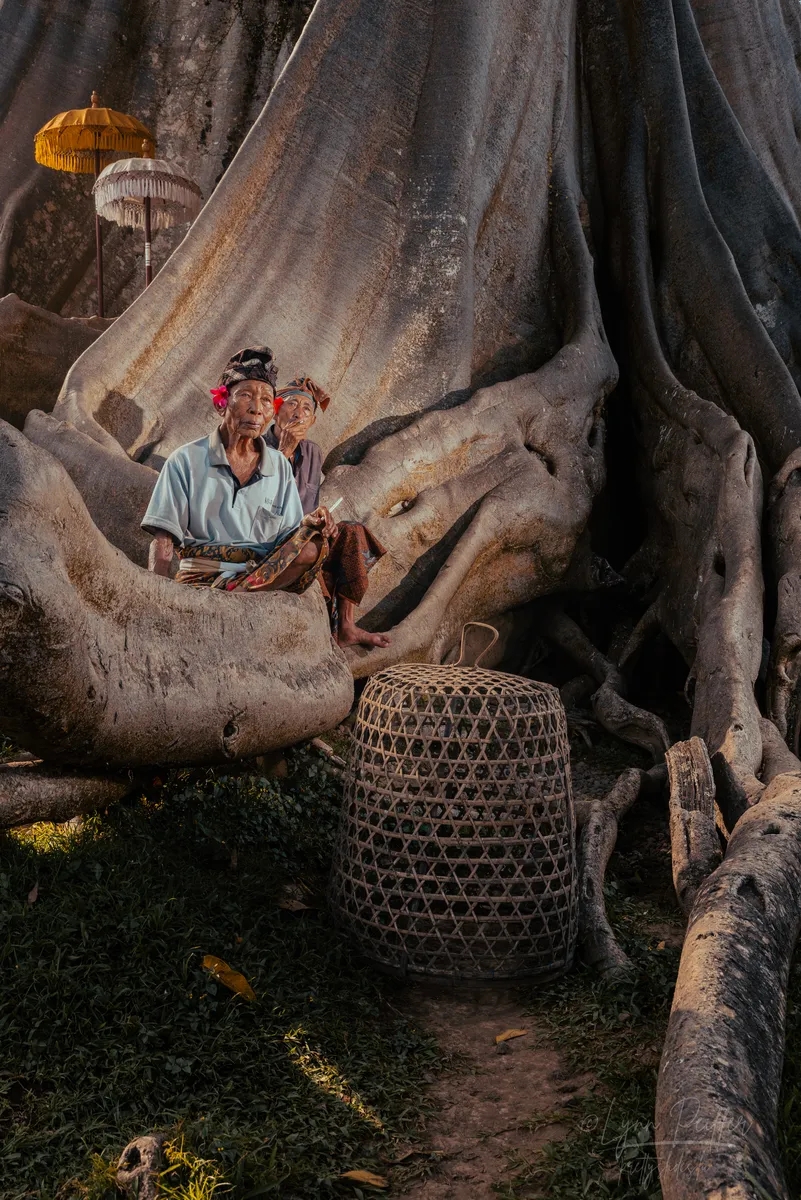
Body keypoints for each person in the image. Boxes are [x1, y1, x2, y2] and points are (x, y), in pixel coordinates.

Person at [142, 347, 335, 593]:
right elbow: (163, 540)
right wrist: (155, 592)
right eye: (246, 396)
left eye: (266, 400)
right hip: (199, 577)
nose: (257, 408)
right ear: (221, 405)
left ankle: (239, 594)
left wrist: (311, 522)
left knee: (312, 546)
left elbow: (291, 538)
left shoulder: (279, 467)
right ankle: (235, 594)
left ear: (271, 412)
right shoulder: (185, 459)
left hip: (258, 578)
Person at [266, 374, 390, 649]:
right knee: (311, 547)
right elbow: (259, 502)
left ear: (312, 422)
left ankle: (347, 626)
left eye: (307, 409)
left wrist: (324, 519)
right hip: (269, 540)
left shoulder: (312, 453)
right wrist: (284, 452)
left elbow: (309, 503)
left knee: (352, 532)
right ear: (275, 409)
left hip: (307, 534)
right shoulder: (256, 447)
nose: (298, 413)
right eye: (291, 404)